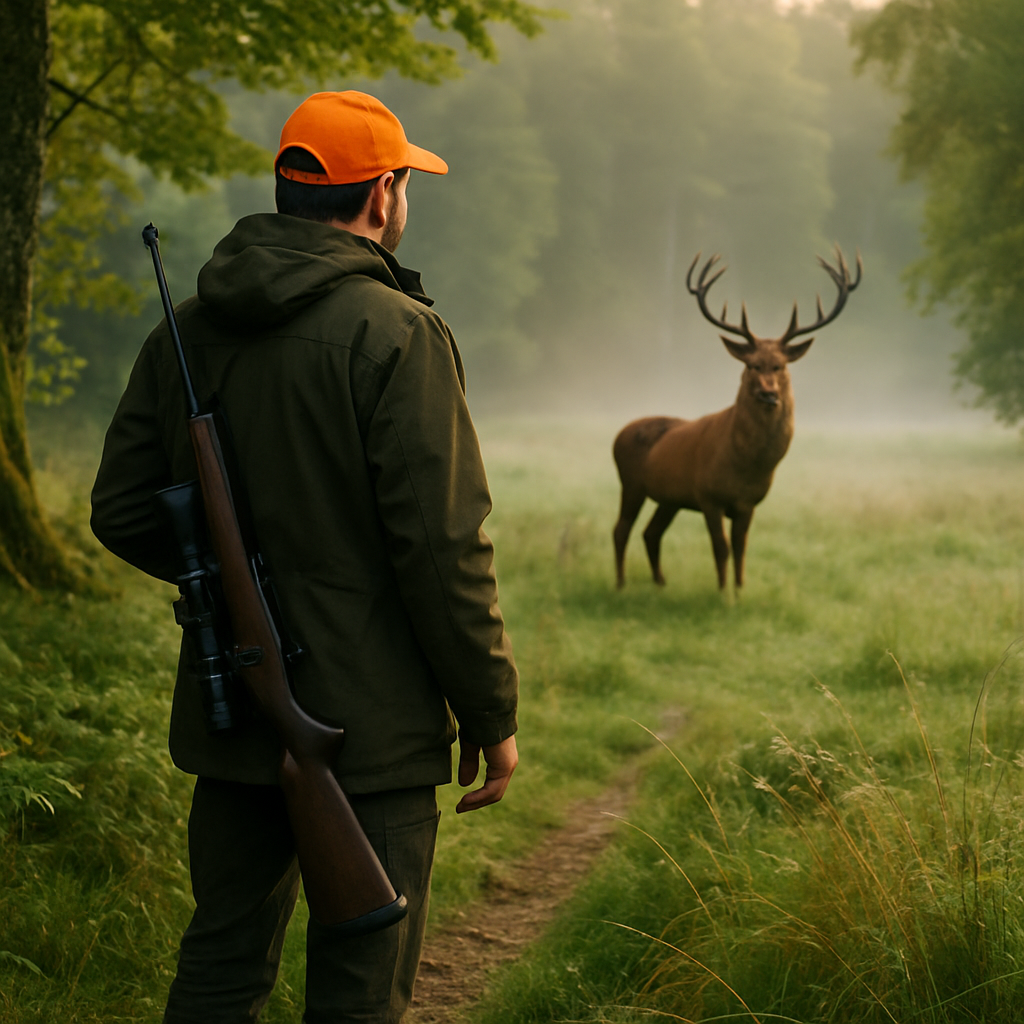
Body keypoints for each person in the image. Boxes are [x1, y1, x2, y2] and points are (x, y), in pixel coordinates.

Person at [90, 90, 519, 1024]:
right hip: (374, 731)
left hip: (235, 707)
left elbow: (121, 509)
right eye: (405, 183)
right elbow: (443, 549)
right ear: (382, 197)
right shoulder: (398, 333)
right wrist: (492, 713)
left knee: (219, 968)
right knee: (362, 986)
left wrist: (222, 585)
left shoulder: (187, 329)